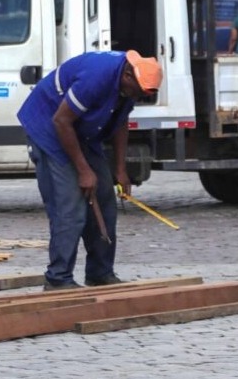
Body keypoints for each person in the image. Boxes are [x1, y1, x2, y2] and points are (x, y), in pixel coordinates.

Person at [16, 49, 162, 291]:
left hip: (82, 132)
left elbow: (121, 122)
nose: (139, 97)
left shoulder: (129, 84)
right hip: (51, 130)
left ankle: (100, 273)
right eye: (139, 93)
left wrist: (120, 169)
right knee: (70, 206)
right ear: (128, 77)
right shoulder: (97, 76)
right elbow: (61, 121)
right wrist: (84, 171)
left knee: (105, 198)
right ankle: (58, 278)